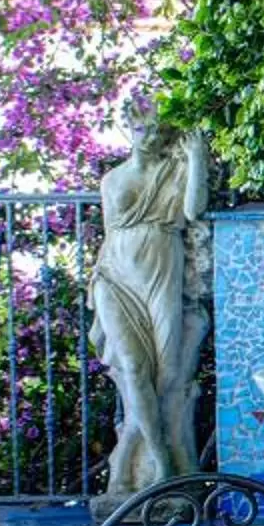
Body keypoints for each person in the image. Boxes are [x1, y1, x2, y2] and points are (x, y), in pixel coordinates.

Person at [94, 111, 210, 493]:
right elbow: (113, 234)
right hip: (115, 280)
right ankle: (161, 462)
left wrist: (196, 159)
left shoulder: (174, 171)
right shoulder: (112, 178)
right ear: (129, 129)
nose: (150, 136)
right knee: (132, 368)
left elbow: (194, 210)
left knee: (167, 375)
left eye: (158, 130)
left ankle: (128, 460)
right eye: (143, 128)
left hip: (161, 277)